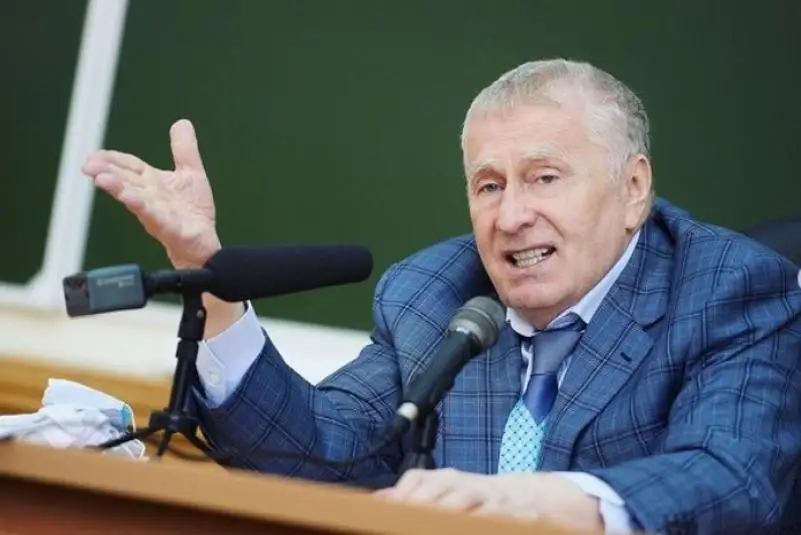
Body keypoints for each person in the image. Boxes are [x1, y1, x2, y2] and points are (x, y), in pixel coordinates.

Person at [82, 58, 801, 534]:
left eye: (545, 178)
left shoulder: (727, 287)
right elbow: (325, 452)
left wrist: (540, 501)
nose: (511, 215)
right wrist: (206, 271)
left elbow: (731, 475)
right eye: (489, 185)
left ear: (633, 188)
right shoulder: (432, 293)